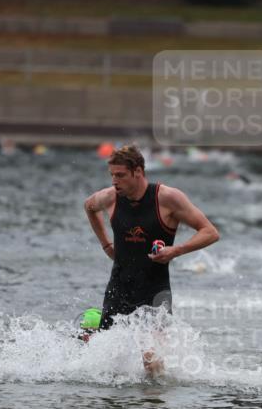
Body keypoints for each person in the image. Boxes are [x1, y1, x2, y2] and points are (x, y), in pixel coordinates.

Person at [84, 145, 220, 374]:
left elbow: (210, 232)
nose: (115, 181)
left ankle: (154, 407)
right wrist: (106, 244)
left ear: (138, 172)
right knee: (105, 365)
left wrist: (175, 250)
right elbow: (89, 207)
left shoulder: (167, 198)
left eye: (120, 175)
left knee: (152, 361)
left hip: (155, 291)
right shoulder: (110, 197)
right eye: (112, 175)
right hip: (118, 288)